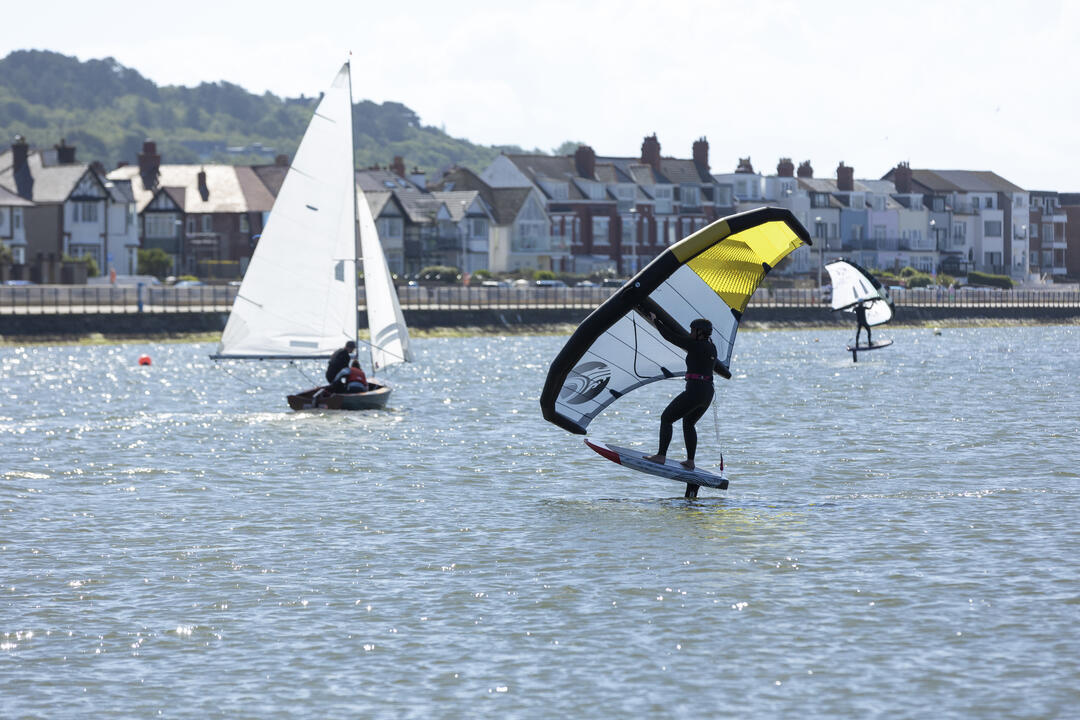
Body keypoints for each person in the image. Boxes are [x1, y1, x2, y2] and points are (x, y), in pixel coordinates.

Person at [643, 314, 727, 473]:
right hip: (707, 393)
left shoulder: (696, 345)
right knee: (688, 423)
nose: (690, 333)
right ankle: (690, 461)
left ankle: (661, 456)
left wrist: (655, 320)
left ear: (699, 332)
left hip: (695, 391)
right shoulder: (712, 347)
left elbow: (671, 337)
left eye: (692, 330)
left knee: (666, 418)